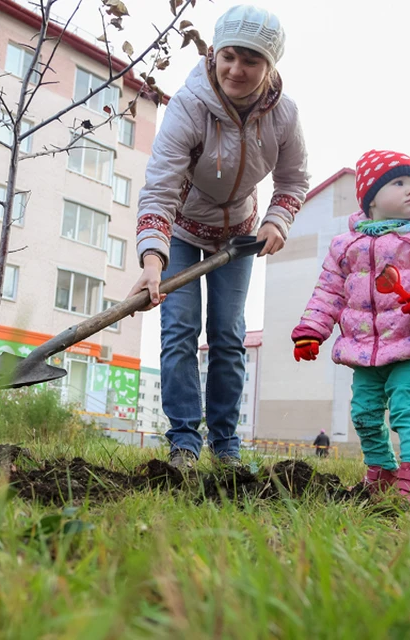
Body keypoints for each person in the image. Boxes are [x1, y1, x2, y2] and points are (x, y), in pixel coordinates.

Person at [127, 5, 309, 469]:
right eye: (229, 55)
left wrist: (277, 222)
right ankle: (184, 441)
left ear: (270, 67)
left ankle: (225, 444)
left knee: (228, 335)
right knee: (180, 330)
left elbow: (293, 180)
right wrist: (153, 261)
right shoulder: (189, 106)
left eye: (251, 60)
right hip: (183, 230)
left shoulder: (284, 116)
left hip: (239, 238)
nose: (237, 69)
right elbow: (161, 186)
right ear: (215, 52)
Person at [291, 150, 410, 504]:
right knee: (365, 414)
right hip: (364, 350)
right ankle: (382, 473)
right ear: (370, 198)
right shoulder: (345, 245)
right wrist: (312, 329)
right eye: (399, 183)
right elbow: (328, 292)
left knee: (406, 408)